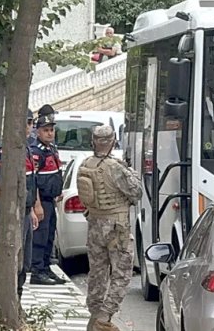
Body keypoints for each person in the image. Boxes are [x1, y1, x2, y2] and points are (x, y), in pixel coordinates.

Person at [77, 125, 142, 331]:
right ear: (113, 141)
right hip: (116, 227)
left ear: (93, 141)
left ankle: (95, 314)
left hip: (95, 225)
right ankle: (103, 318)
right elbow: (137, 192)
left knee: (97, 272)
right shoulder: (115, 167)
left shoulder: (85, 164)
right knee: (121, 272)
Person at [0, 109, 40, 300]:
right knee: (14, 258)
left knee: (24, 259)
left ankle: (18, 299)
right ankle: (11, 299)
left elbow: (30, 181)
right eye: (25, 122)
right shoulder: (7, 150)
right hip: (12, 212)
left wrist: (32, 208)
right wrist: (3, 200)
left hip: (25, 210)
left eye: (30, 122)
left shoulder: (27, 148)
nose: (28, 126)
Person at [30, 113, 65, 285]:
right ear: (38, 132)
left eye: (52, 130)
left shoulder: (51, 149)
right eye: (46, 130)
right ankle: (37, 270)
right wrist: (37, 205)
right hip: (41, 201)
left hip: (51, 200)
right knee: (40, 237)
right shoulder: (36, 152)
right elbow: (33, 180)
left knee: (49, 236)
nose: (50, 133)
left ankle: (45, 267)